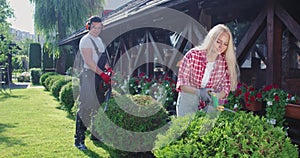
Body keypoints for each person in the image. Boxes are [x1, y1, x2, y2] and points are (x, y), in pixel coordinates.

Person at [176, 24, 239, 117]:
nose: (221, 46)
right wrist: (199, 92)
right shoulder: (192, 55)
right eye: (218, 42)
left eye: (225, 44)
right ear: (211, 39)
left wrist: (216, 96)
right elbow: (182, 84)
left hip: (209, 104)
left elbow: (225, 89)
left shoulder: (224, 64)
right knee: (186, 129)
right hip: (188, 101)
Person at [74, 16, 113, 150]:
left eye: (99, 27)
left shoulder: (99, 40)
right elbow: (90, 62)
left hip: (99, 76)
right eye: (94, 27)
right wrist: (102, 73)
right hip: (89, 75)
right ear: (89, 27)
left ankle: (95, 135)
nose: (97, 30)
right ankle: (79, 140)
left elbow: (102, 58)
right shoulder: (86, 40)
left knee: (98, 106)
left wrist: (108, 69)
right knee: (85, 107)